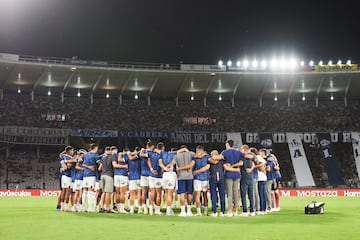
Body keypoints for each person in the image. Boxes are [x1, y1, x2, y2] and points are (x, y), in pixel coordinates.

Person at [212, 140, 252, 217]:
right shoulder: (238, 152)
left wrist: (214, 156)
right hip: (237, 175)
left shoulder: (225, 152)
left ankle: (230, 211)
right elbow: (247, 156)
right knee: (236, 193)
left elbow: (216, 157)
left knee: (229, 194)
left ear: (227, 144)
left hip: (228, 175)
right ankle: (236, 211)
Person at [170, 145, 195, 217]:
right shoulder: (191, 154)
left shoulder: (176, 155)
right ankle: (189, 211)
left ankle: (183, 211)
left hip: (181, 177)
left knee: (182, 194)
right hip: (190, 176)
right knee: (189, 194)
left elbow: (172, 164)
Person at [159, 146, 177, 216]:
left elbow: (160, 163)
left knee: (166, 192)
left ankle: (167, 207)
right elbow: (175, 161)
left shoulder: (162, 154)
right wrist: (170, 165)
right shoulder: (175, 154)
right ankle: (168, 210)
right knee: (170, 193)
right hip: (171, 174)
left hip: (164, 174)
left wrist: (165, 168)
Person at [192, 145, 210, 216]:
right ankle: (205, 211)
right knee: (205, 195)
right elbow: (208, 166)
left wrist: (197, 171)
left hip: (198, 178)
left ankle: (199, 212)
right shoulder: (207, 156)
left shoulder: (195, 158)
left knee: (198, 195)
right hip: (204, 178)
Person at [82, 144, 100, 212]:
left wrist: (87, 167)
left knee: (85, 190)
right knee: (91, 190)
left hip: (85, 174)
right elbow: (99, 164)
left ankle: (83, 207)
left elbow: (82, 164)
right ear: (95, 148)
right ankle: (90, 207)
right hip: (91, 174)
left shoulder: (85, 155)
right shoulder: (95, 155)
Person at [208, 150, 226, 217]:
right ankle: (222, 211)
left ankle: (215, 211)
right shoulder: (221, 160)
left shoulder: (210, 160)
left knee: (214, 195)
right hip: (220, 178)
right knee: (221, 195)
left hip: (214, 178)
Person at [239, 145, 255, 217]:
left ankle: (245, 211)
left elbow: (240, 164)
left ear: (244, 150)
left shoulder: (242, 157)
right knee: (251, 195)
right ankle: (252, 211)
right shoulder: (251, 157)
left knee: (243, 195)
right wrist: (251, 169)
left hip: (244, 177)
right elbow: (254, 164)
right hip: (250, 177)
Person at [99, 146, 115, 213]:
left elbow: (99, 168)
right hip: (109, 175)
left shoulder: (103, 158)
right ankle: (107, 208)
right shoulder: (112, 157)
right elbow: (114, 165)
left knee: (104, 192)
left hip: (102, 175)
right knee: (108, 193)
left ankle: (102, 207)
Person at [113, 148, 129, 214]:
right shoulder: (126, 157)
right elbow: (120, 160)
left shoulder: (115, 155)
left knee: (117, 193)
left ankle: (118, 208)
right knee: (122, 193)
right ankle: (121, 209)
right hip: (123, 175)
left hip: (116, 175)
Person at [59, 146, 75, 212]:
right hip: (68, 176)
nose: (73, 152)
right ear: (69, 151)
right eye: (72, 150)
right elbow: (68, 167)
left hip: (63, 176)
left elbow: (60, 155)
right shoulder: (69, 158)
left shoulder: (63, 156)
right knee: (68, 192)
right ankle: (65, 207)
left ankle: (62, 207)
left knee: (63, 191)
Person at [127, 148, 141, 214]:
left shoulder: (129, 159)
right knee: (139, 194)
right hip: (139, 177)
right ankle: (140, 209)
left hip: (132, 178)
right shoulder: (140, 158)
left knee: (132, 194)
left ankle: (132, 209)